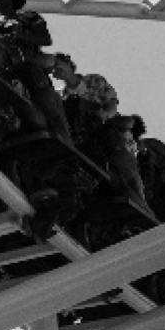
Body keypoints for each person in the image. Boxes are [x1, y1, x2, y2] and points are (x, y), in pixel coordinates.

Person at [50, 53, 148, 212]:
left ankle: (142, 203)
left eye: (59, 64)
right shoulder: (64, 95)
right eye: (54, 68)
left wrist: (103, 115)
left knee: (126, 164)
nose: (56, 69)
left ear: (68, 63)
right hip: (87, 133)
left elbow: (111, 104)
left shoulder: (93, 80)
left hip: (109, 125)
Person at [0, 0, 71, 143]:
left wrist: (19, 36)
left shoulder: (29, 17)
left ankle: (66, 146)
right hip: (5, 73)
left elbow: (45, 39)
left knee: (52, 110)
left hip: (31, 71)